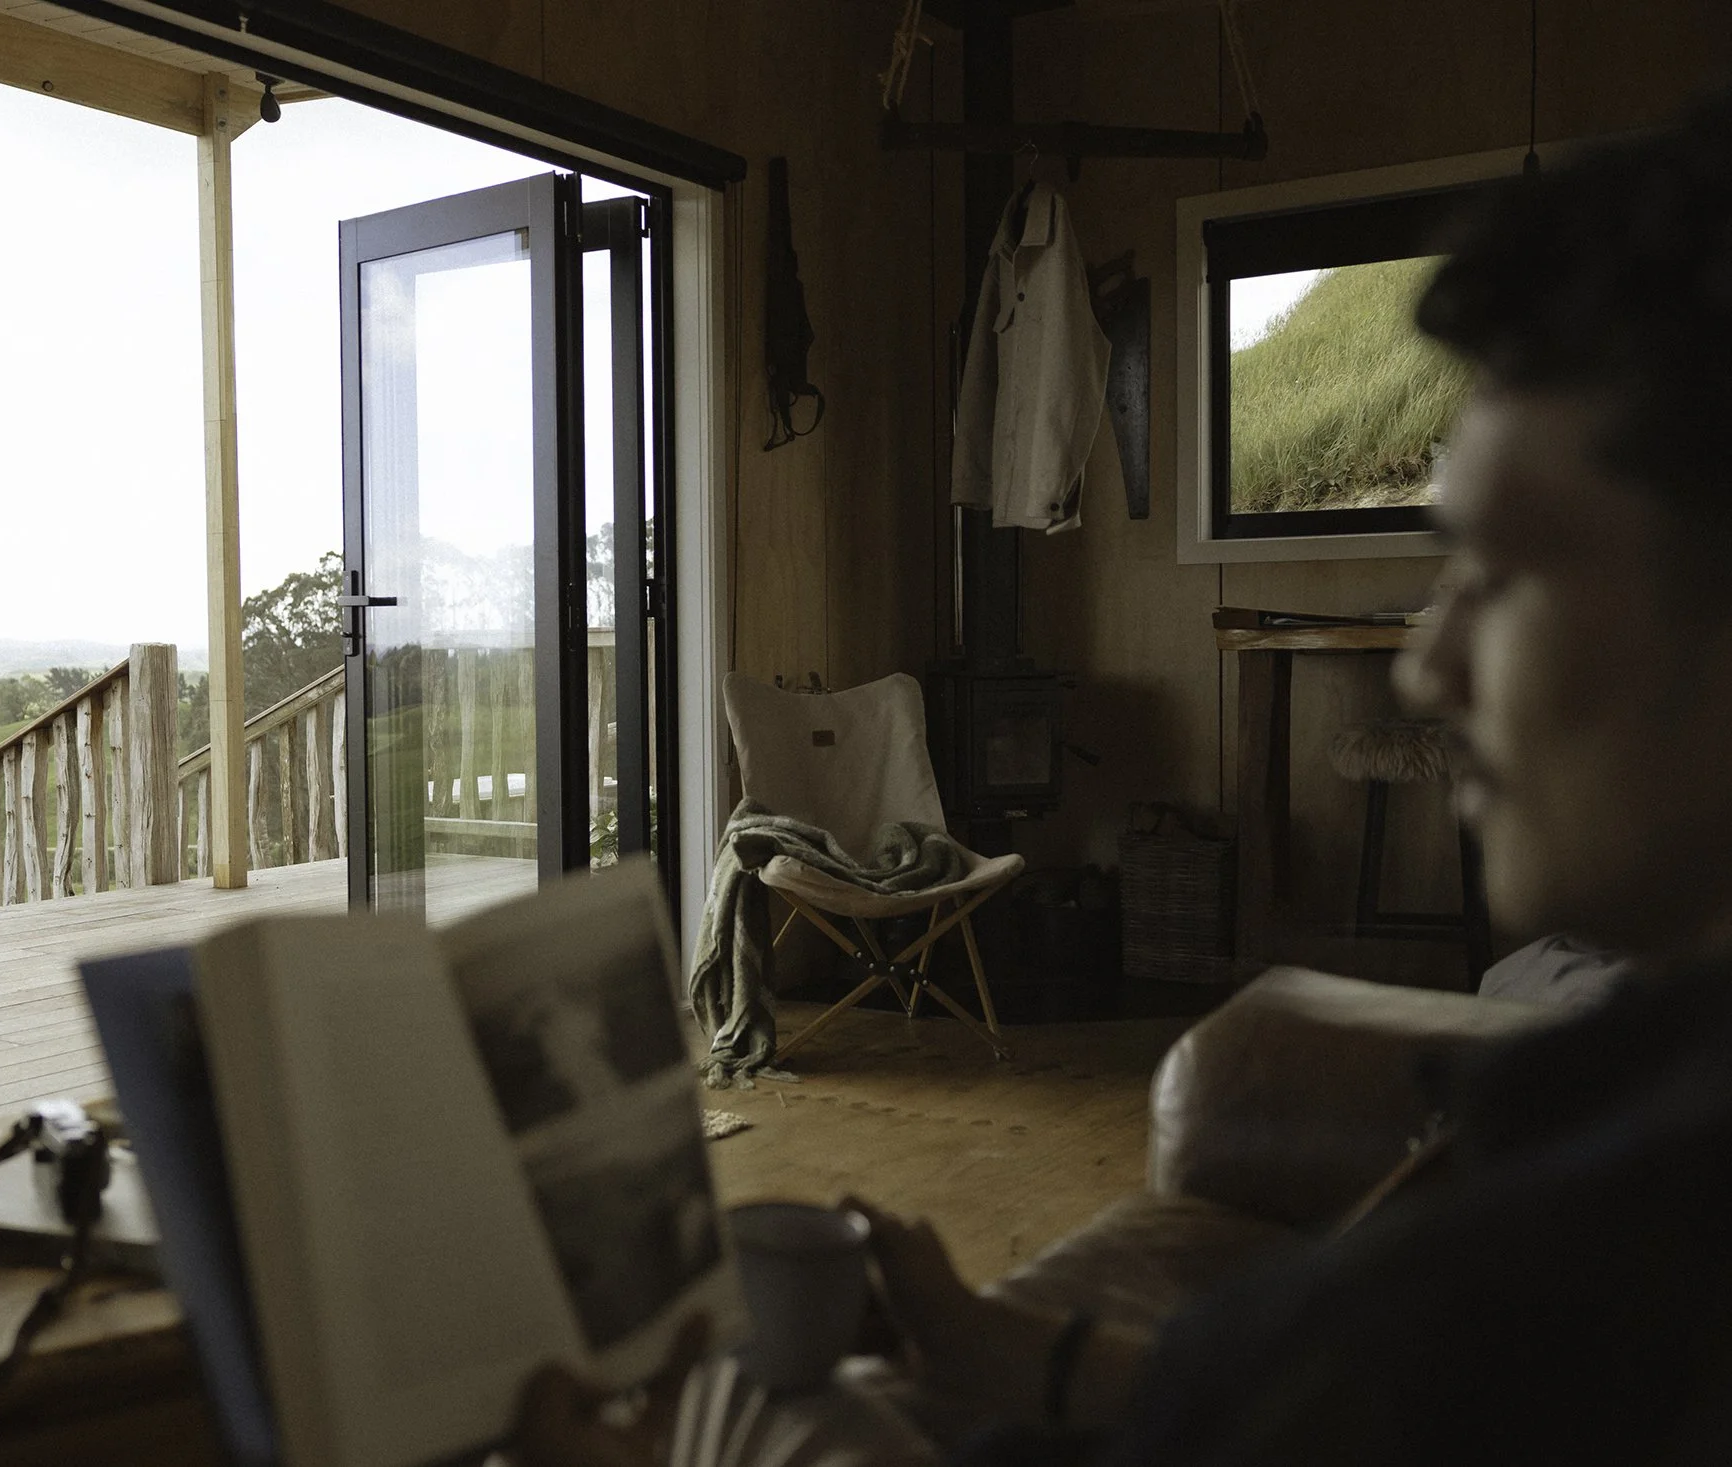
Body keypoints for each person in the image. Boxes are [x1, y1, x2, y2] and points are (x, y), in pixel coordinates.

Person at [515, 85, 1732, 1467]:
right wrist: (1004, 1347)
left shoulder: (1662, 1242)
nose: (1429, 664)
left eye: (1507, 571)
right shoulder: (1649, 1117)